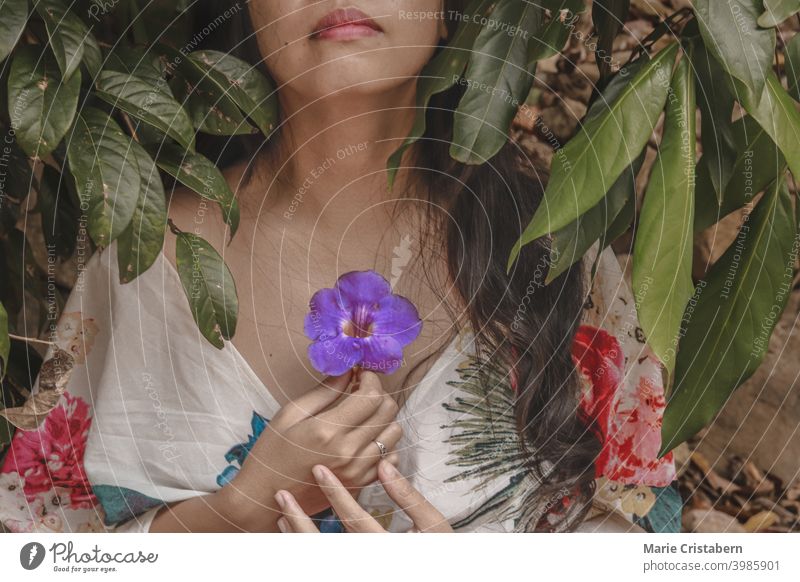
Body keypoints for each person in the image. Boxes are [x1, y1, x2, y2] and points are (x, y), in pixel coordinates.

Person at [0, 0, 677, 533]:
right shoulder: (147, 257)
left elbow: (646, 533)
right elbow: (34, 544)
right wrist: (238, 513)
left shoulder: (553, 251)